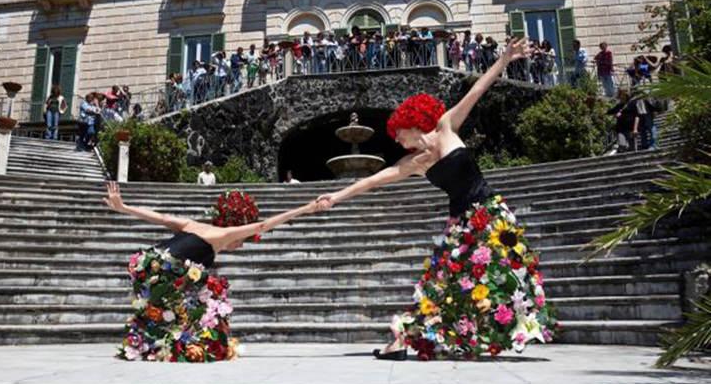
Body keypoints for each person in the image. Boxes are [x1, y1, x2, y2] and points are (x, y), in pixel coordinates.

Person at [315, 38, 556, 361]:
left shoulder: (446, 127)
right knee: (442, 281)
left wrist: (505, 59)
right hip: (461, 224)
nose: (397, 140)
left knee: (507, 274)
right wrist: (336, 195)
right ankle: (404, 339)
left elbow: (476, 91)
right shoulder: (413, 164)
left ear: (412, 123)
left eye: (398, 133)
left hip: (490, 213)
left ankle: (500, 330)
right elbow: (371, 180)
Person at [104, 181, 321, 362]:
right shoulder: (223, 234)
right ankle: (188, 341)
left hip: (146, 264)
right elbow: (262, 226)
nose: (240, 246)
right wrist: (305, 209)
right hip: (165, 272)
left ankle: (154, 340)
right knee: (210, 299)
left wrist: (124, 207)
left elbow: (161, 218)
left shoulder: (193, 224)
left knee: (199, 288)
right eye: (242, 243)